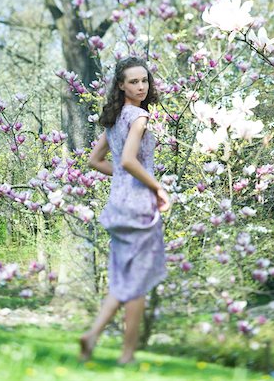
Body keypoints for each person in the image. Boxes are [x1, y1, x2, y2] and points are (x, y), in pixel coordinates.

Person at [79, 56, 170, 364]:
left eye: (144, 80)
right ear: (121, 85)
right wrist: (157, 187)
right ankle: (127, 354)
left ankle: (92, 336)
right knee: (139, 281)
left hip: (117, 204)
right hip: (138, 207)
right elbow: (129, 161)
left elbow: (96, 161)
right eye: (133, 81)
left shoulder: (116, 118)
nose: (141, 86)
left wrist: (120, 173)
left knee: (124, 279)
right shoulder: (139, 118)